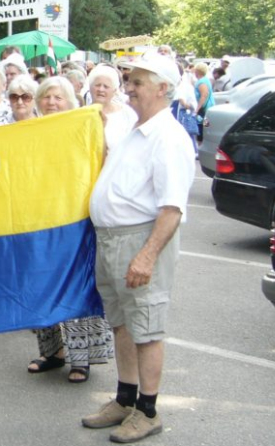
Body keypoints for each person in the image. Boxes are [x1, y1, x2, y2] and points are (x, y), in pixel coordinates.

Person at [82, 54, 195, 443]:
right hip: (114, 240)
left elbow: (172, 208)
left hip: (139, 240)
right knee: (123, 324)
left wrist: (147, 255)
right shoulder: (136, 127)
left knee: (146, 328)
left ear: (163, 88)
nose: (128, 87)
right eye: (128, 80)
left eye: (138, 82)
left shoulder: (169, 137)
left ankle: (147, 410)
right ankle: (125, 399)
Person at [28, 75, 113, 383]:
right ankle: (53, 352)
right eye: (46, 97)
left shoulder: (83, 127)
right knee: (43, 283)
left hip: (75, 219)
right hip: (39, 220)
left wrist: (98, 126)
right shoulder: (29, 133)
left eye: (58, 97)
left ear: (71, 102)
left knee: (77, 283)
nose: (51, 102)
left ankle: (82, 358)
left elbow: (101, 159)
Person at [87, 65, 138, 151]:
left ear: (114, 91)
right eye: (97, 85)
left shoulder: (127, 114)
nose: (101, 89)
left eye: (106, 86)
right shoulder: (82, 113)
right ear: (90, 88)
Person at [193, 62, 215, 142]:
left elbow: (204, 95)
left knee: (201, 125)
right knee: (205, 125)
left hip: (204, 108)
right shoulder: (206, 80)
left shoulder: (201, 82)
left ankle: (201, 141)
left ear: (197, 71)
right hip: (207, 107)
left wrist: (197, 109)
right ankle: (204, 140)